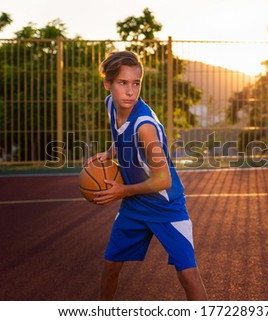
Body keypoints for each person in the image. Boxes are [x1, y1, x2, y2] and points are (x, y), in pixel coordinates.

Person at [86, 51, 207, 300]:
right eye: (123, 83)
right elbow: (122, 138)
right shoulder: (111, 104)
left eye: (136, 83)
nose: (130, 91)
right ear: (108, 84)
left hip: (166, 205)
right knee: (110, 267)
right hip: (135, 205)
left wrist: (123, 191)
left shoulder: (145, 127)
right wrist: (109, 153)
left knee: (188, 275)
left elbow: (164, 180)